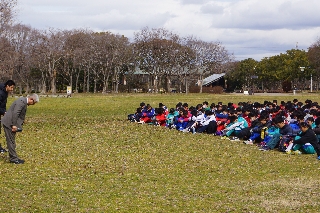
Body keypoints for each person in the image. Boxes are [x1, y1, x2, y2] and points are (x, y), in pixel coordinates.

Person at [1, 93, 39, 164]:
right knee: (11, 142)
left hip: (10, 122)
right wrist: (14, 125)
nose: (33, 104)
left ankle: (14, 157)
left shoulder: (23, 101)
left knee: (12, 141)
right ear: (31, 99)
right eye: (34, 102)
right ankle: (14, 159)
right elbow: (16, 113)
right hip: (9, 123)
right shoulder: (21, 101)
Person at [0, 80, 16, 153]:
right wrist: (3, 112)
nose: (12, 89)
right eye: (11, 87)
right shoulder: (1, 93)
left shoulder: (5, 92)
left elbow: (3, 104)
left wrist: (4, 111)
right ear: (7, 86)